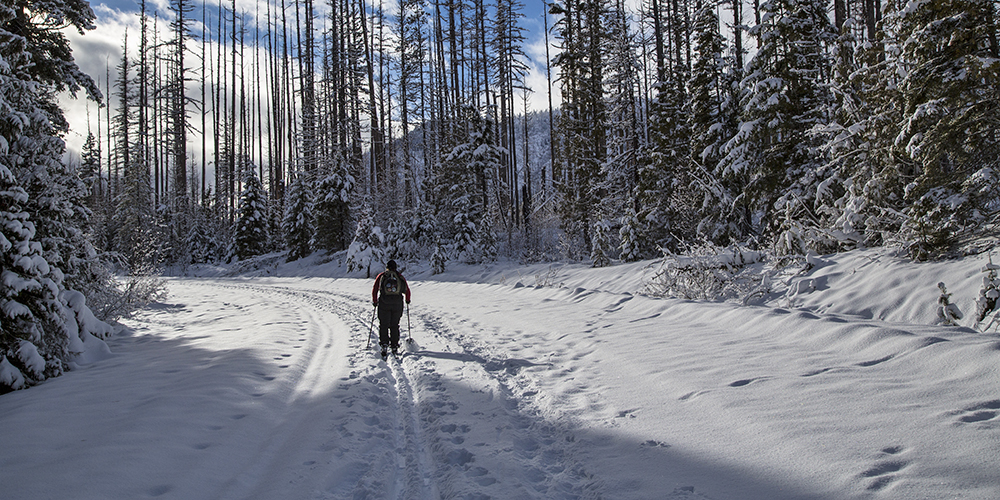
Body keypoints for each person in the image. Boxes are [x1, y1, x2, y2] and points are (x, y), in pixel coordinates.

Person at [372, 260, 411, 357]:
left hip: (384, 303)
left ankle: (384, 344)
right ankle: (394, 345)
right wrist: (407, 300)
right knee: (394, 325)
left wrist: (375, 301)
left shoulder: (381, 276)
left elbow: (375, 289)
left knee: (384, 324)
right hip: (397, 304)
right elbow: (407, 290)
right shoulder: (399, 276)